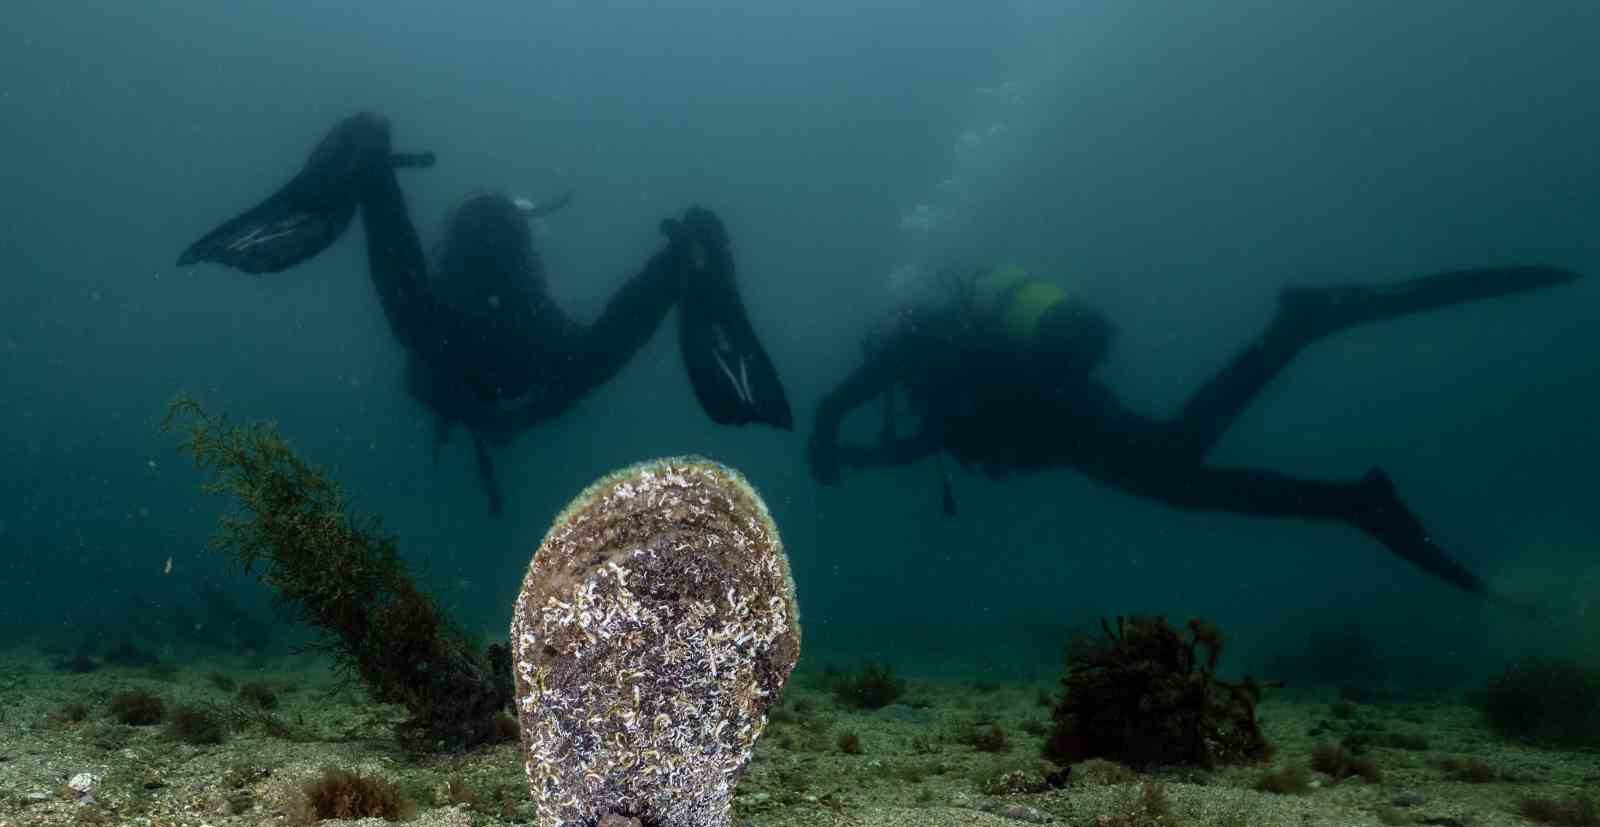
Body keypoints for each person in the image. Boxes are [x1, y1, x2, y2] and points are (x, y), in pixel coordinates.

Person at [808, 263, 1578, 602]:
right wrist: (854, 454)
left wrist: (825, 432)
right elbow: (925, 443)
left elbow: (847, 397)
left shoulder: (920, 350)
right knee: (1185, 479)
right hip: (1073, 430)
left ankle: (1296, 331)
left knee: (1179, 468)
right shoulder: (940, 375)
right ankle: (1354, 502)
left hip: (1070, 423)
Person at [179, 112, 791, 514]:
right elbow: (591, 362)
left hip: (460, 333)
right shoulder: (510, 314)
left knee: (423, 326)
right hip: (521, 335)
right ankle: (680, 259)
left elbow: (421, 361)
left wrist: (492, 417)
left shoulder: (437, 346)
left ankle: (372, 174)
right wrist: (518, 420)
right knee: (585, 354)